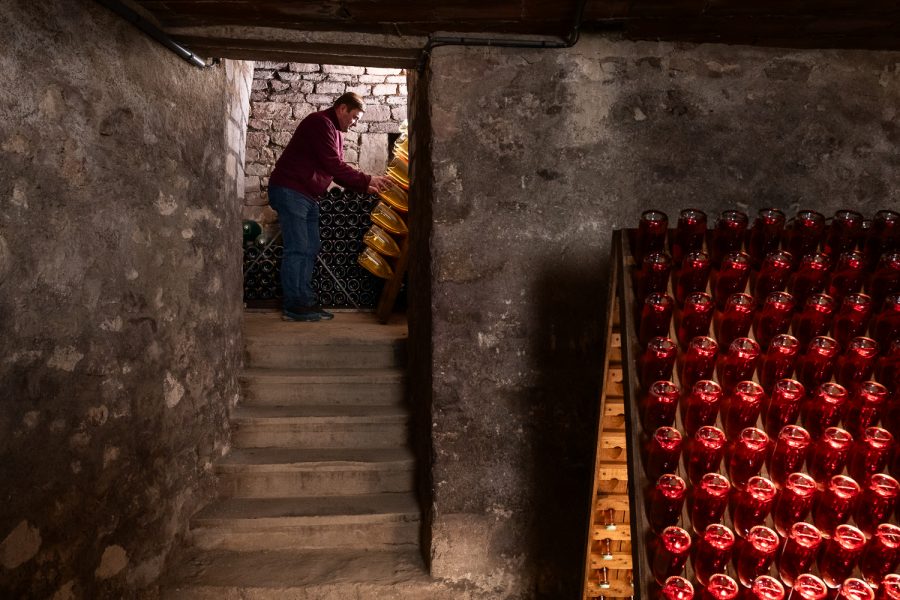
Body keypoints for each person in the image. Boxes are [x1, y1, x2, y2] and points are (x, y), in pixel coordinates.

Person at [268, 92, 391, 322]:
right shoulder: (320, 123)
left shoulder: (336, 133)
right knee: (298, 248)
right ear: (342, 108)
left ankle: (305, 303)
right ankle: (295, 307)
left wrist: (366, 187)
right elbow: (333, 164)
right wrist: (366, 180)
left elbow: (336, 171)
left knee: (311, 247)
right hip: (291, 190)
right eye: (354, 117)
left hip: (308, 195)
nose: (355, 124)